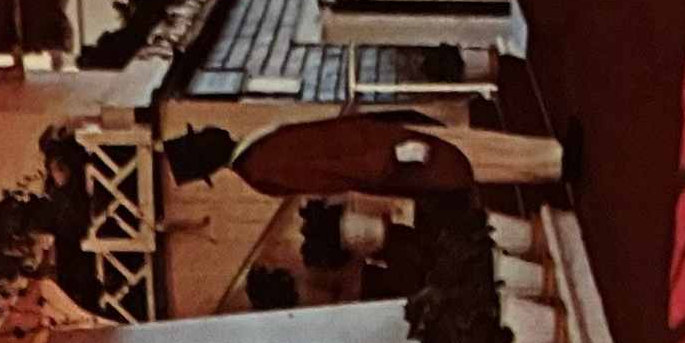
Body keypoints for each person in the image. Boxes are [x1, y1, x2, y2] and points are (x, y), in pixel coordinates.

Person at [164, 106, 565, 195]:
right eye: (201, 140)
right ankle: (553, 163)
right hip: (388, 154)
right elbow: (331, 172)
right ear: (210, 160)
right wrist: (390, 158)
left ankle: (550, 154)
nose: (208, 131)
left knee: (472, 145)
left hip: (379, 138)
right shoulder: (261, 167)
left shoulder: (255, 149)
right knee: (472, 160)